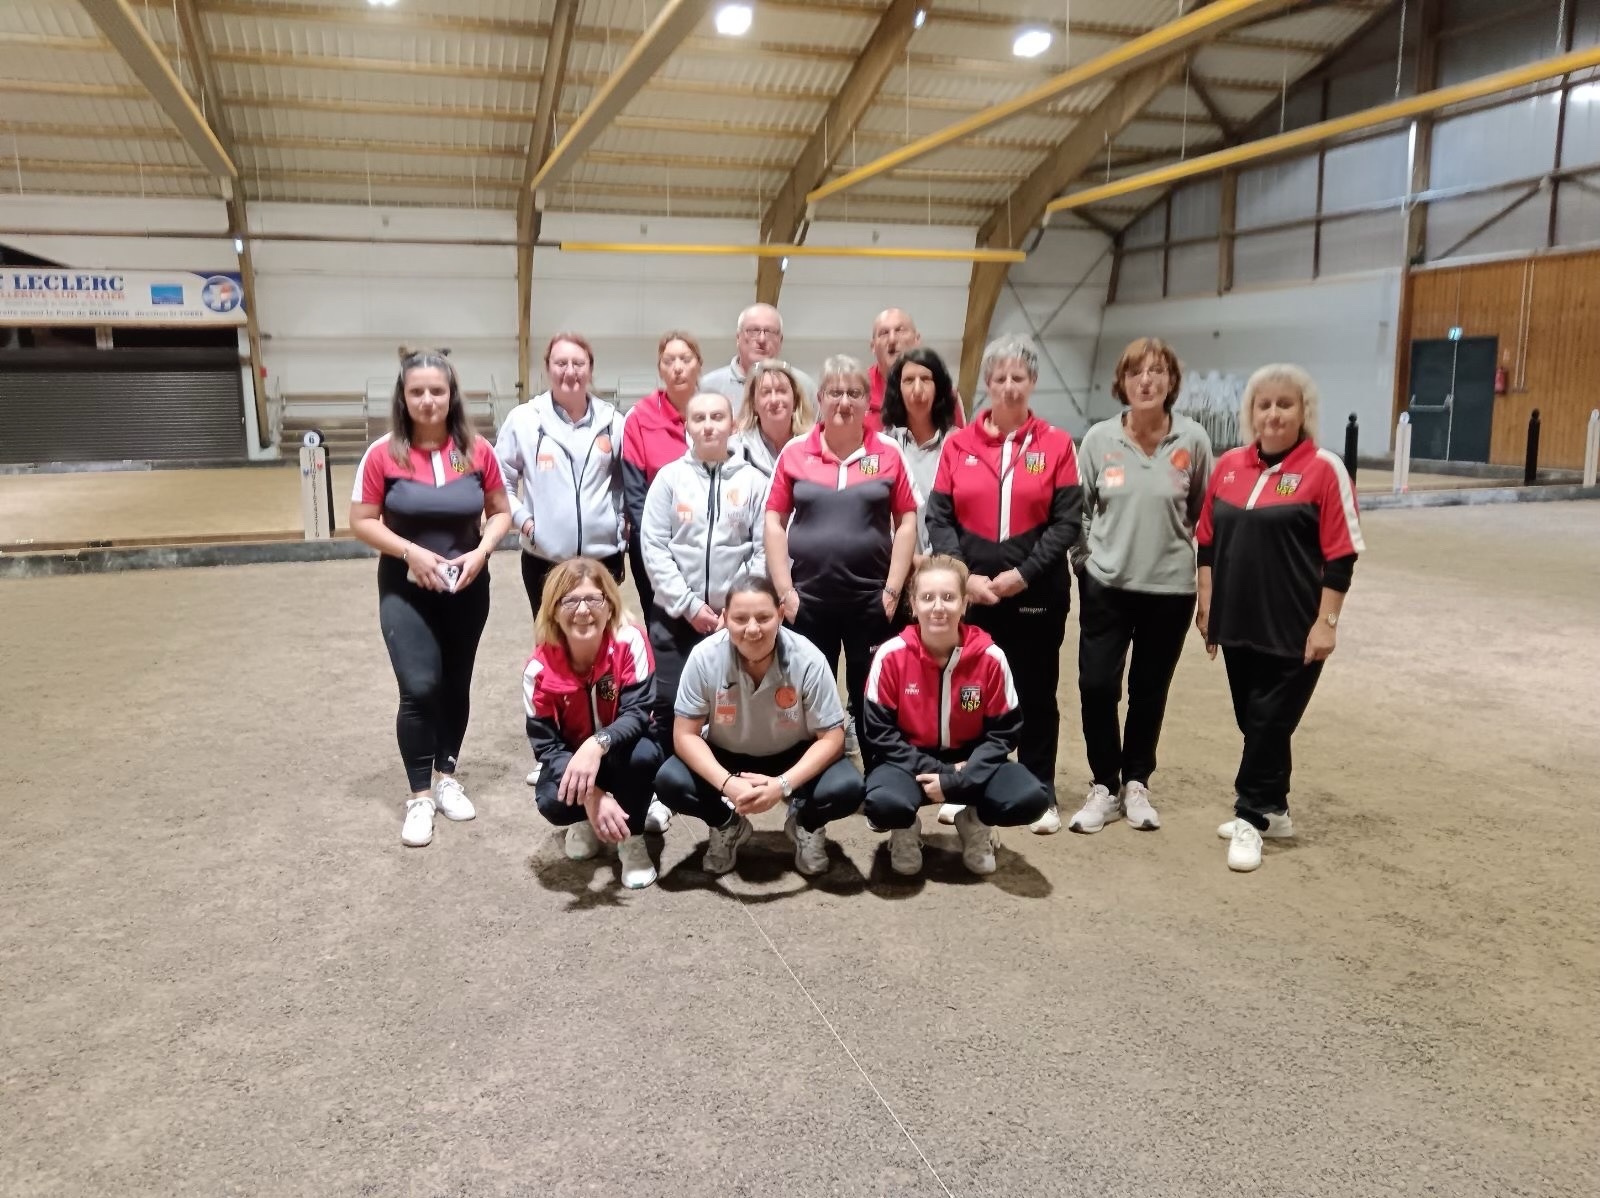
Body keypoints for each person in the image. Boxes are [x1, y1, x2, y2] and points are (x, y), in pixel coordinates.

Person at [1197, 363, 1362, 873]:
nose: (1273, 414)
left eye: (1284, 404)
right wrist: (1207, 606)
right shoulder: (1228, 466)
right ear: (1251, 412)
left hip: (1294, 625)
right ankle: (1277, 809)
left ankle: (1249, 815)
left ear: (1303, 411)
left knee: (1270, 720)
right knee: (1255, 721)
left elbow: (1341, 554)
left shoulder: (1323, 468)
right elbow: (1206, 540)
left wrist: (1326, 624)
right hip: (1238, 620)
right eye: (1263, 405)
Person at [349, 347, 512, 848]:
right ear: (403, 396)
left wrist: (482, 551)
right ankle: (419, 796)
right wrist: (409, 554)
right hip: (406, 589)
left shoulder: (476, 450)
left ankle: (446, 776)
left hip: (466, 586)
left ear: (451, 396)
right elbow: (360, 520)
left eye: (436, 391)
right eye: (416, 391)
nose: (427, 400)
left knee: (456, 683)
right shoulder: (383, 453)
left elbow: (501, 511)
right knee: (420, 687)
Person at [926, 333, 1082, 833]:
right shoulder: (958, 444)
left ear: (1033, 382)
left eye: (1019, 377)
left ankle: (1040, 790)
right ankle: (969, 786)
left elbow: (1066, 523)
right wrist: (965, 578)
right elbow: (939, 518)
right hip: (972, 597)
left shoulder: (1056, 444)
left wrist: (1023, 575)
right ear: (987, 385)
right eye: (999, 378)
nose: (1009, 386)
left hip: (1036, 596)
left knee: (1036, 692)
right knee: (973, 692)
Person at [1066, 337, 1215, 836]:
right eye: (1136, 373)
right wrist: (1085, 563)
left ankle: (1136, 783)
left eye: (1156, 372)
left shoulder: (1193, 441)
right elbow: (1079, 509)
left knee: (1149, 691)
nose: (1146, 381)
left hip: (1169, 592)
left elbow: (1202, 513)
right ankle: (1104, 785)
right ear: (1122, 383)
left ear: (1171, 381)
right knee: (1097, 685)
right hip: (1106, 585)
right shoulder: (1098, 439)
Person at [654, 577, 865, 877]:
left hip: (792, 752)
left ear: (780, 614)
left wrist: (783, 785)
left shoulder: (808, 659)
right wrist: (727, 783)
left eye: (763, 618)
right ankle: (727, 825)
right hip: (728, 752)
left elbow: (831, 737)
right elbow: (684, 735)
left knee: (848, 788)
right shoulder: (704, 658)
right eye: (740, 619)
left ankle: (806, 824)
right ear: (725, 618)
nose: (752, 629)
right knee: (669, 782)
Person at [764, 354, 919, 753]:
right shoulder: (796, 452)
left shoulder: (887, 452)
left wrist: (892, 591)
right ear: (820, 398)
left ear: (869, 401)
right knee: (804, 695)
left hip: (871, 602)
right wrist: (785, 593)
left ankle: (880, 783)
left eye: (853, 393)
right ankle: (806, 790)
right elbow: (774, 522)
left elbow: (906, 521)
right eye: (835, 392)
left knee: (873, 696)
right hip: (808, 602)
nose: (844, 402)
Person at [861, 556, 1052, 876]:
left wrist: (963, 775)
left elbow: (1004, 733)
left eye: (949, 598)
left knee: (1031, 800)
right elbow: (880, 734)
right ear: (913, 603)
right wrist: (940, 772)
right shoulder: (890, 655)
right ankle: (905, 828)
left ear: (964, 603)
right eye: (928, 597)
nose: (938, 607)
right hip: (908, 762)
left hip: (972, 761)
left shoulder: (991, 657)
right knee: (882, 805)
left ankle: (975, 822)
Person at [640, 390, 770, 754]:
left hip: (736, 620)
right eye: (699, 418)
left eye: (717, 417)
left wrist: (737, 608)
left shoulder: (755, 483)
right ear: (687, 427)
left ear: (734, 425)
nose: (709, 426)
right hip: (676, 616)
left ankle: (723, 784)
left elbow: (763, 550)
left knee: (729, 705)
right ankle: (665, 790)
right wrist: (689, 606)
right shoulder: (669, 479)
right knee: (670, 702)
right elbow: (654, 547)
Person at [523, 558, 661, 889]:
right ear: (553, 610)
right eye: (570, 600)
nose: (583, 610)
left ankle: (633, 837)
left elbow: (639, 712)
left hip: (622, 750)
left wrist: (595, 744)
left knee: (643, 756)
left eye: (593, 599)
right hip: (576, 762)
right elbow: (546, 746)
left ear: (609, 605)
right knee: (550, 801)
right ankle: (588, 821)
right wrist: (592, 798)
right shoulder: (537, 670)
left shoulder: (631, 641)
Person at [495, 332, 624, 615]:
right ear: (547, 368)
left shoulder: (614, 422)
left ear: (590, 369)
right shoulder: (525, 420)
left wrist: (620, 520)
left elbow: (624, 483)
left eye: (578, 363)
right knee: (552, 645)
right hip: (544, 559)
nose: (570, 371)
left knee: (601, 643)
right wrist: (525, 522)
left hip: (603, 558)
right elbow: (498, 481)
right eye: (561, 363)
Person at [622, 331, 701, 617]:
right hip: (655, 548)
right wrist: (660, 550)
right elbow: (635, 496)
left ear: (698, 365)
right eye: (669, 361)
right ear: (660, 369)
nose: (678, 367)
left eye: (685, 359)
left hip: (706, 548)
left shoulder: (714, 415)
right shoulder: (639, 418)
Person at [866, 308, 965, 435]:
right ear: (873, 346)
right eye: (884, 333)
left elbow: (959, 446)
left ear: (917, 339)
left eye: (899, 330)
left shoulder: (942, 391)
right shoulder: (857, 390)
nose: (892, 339)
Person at [700, 303, 818, 410]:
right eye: (753, 330)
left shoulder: (803, 385)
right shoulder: (709, 386)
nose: (761, 339)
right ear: (738, 337)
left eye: (770, 332)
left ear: (780, 340)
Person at [730, 358, 814, 477]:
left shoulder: (815, 446)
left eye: (781, 391)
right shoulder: (735, 449)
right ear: (753, 404)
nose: (774, 400)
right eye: (766, 392)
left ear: (795, 400)